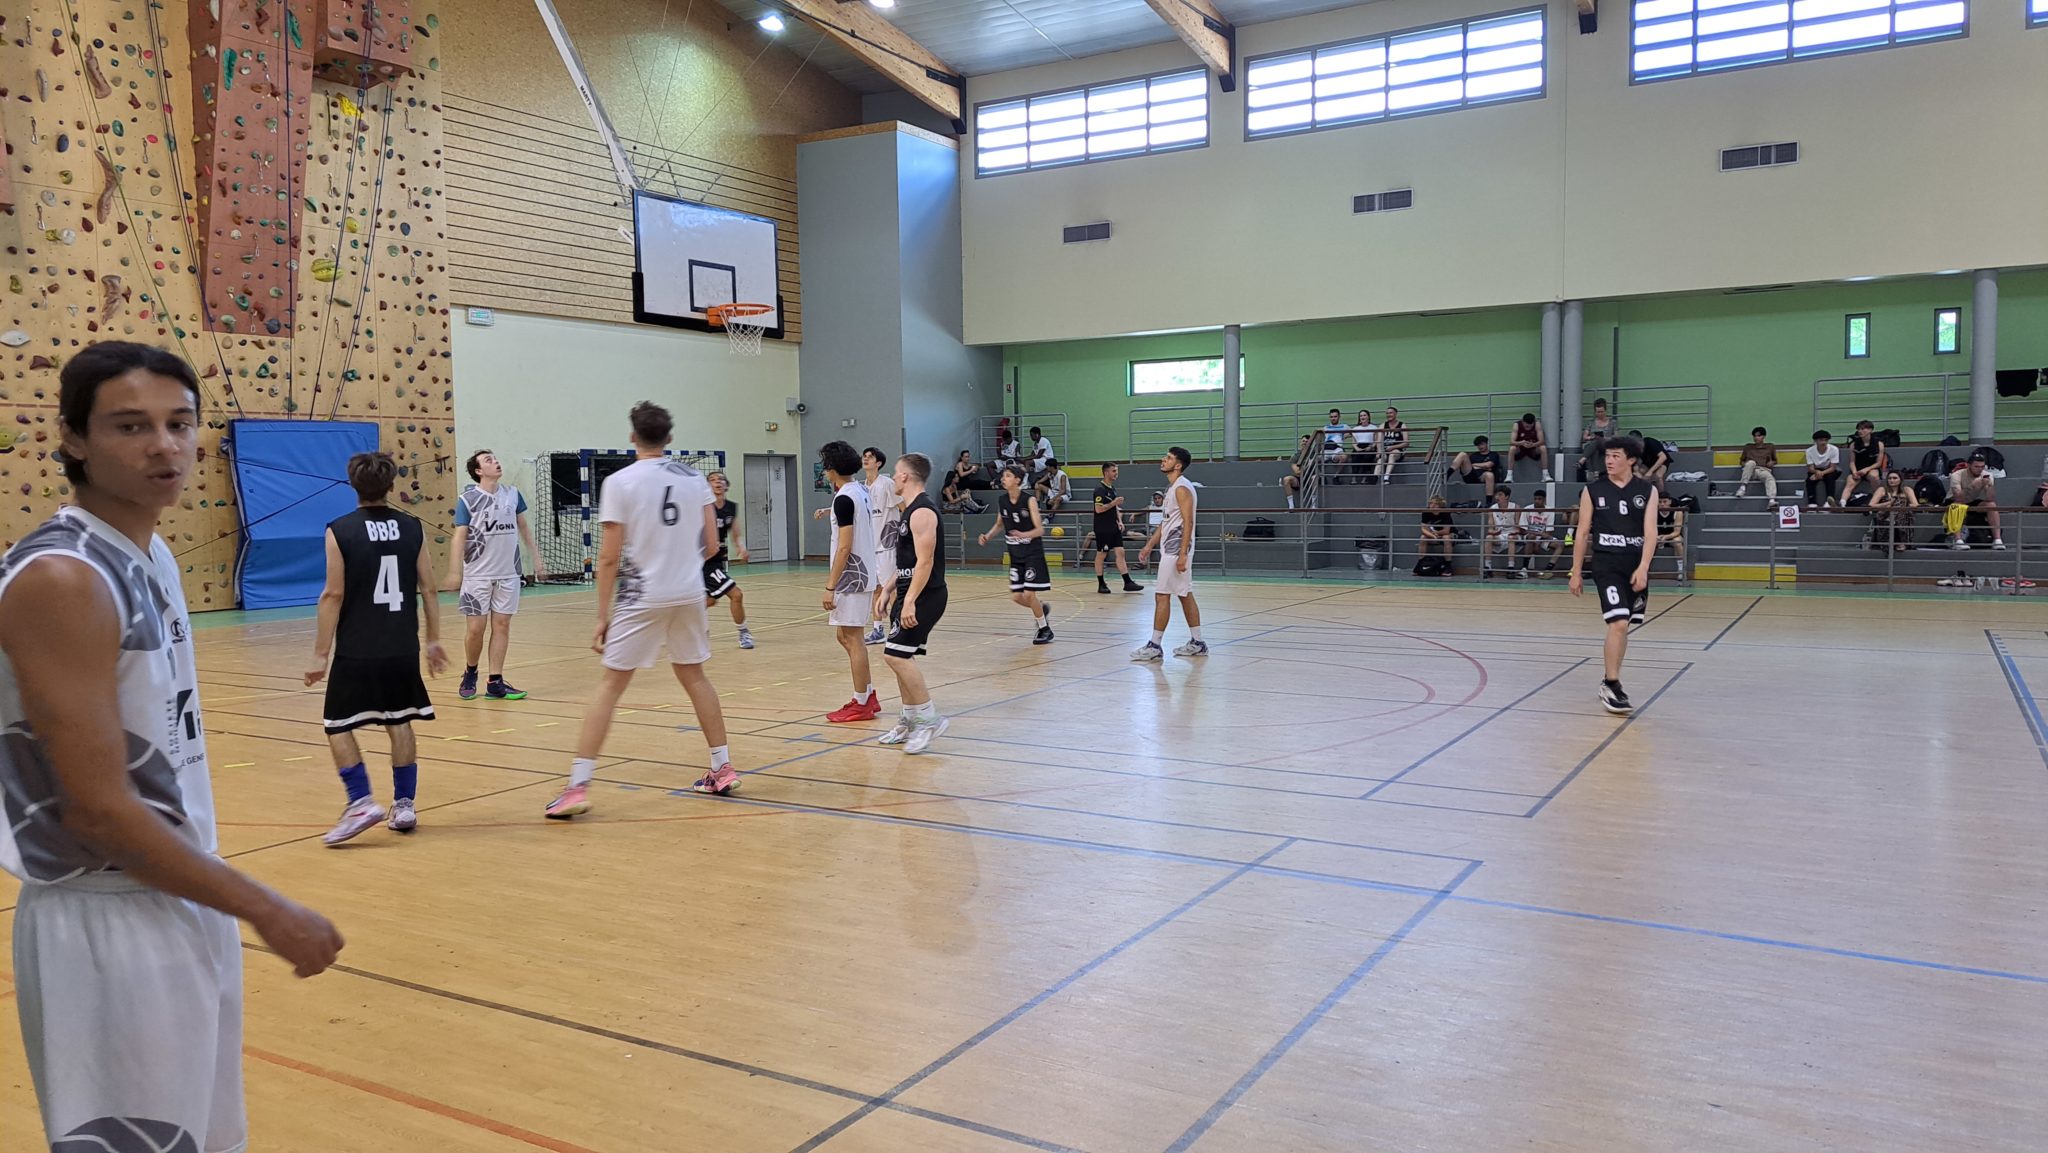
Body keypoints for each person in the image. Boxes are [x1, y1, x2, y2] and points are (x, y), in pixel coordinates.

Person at [0, 341, 342, 1151]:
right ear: (73, 437)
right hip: (105, 921)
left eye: (180, 423)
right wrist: (267, 908)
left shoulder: (149, 553)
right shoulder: (63, 578)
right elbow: (97, 811)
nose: (164, 445)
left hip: (179, 896)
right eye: (130, 425)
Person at [547, 402, 737, 818]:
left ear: (633, 437)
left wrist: (602, 616)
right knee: (695, 676)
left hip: (642, 594)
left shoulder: (620, 482)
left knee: (610, 687)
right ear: (670, 438)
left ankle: (577, 787)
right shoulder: (694, 478)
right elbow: (712, 545)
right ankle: (722, 768)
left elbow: (608, 558)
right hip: (689, 592)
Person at [307, 451, 449, 844]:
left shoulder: (339, 530)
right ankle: (403, 805)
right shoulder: (412, 527)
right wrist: (433, 640)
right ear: (391, 485)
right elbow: (429, 589)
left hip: (358, 648)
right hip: (401, 645)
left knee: (337, 725)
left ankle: (360, 802)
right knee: (398, 720)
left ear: (352, 484)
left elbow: (333, 594)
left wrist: (320, 654)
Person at [1569, 436, 1659, 716]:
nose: (1609, 461)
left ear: (1631, 460)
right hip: (1606, 564)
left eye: (1615, 456)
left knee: (1624, 625)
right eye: (1607, 456)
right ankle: (1611, 684)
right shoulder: (1593, 490)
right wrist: (1576, 571)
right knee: (1618, 621)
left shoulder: (1647, 490)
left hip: (1634, 564)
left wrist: (1644, 567)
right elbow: (1582, 533)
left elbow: (1651, 533)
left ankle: (1611, 678)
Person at [443, 449, 542, 701]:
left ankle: (495, 682)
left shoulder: (512, 494)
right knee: (476, 629)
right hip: (477, 575)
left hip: (508, 573)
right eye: (489, 460)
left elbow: (523, 527)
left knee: (502, 625)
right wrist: (454, 571)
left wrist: (536, 557)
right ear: (478, 471)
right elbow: (459, 537)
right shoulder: (468, 499)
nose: (496, 462)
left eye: (496, 458)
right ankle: (470, 671)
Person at [880, 453, 949, 754]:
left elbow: (925, 562)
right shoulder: (909, 511)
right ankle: (908, 720)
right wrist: (888, 588)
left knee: (895, 656)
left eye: (895, 472)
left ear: (906, 476)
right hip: (909, 592)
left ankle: (929, 719)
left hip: (926, 595)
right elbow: (908, 562)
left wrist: (909, 601)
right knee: (901, 655)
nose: (893, 477)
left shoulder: (922, 512)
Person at [819, 441, 883, 719]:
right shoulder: (860, 491)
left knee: (853, 639)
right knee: (844, 635)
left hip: (852, 577)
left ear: (831, 468)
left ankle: (862, 702)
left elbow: (845, 546)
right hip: (863, 572)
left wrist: (830, 586)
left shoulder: (844, 498)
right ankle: (867, 693)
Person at [1133, 447, 1206, 660]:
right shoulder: (1172, 488)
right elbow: (1166, 523)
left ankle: (1155, 646)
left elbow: (1188, 522)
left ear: (1178, 465)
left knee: (1162, 595)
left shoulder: (1182, 488)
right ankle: (1198, 642)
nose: (1163, 460)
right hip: (1171, 549)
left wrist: (1182, 554)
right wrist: (1149, 545)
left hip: (1176, 551)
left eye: (1169, 458)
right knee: (1184, 594)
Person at [979, 465, 1054, 644]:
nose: (1003, 479)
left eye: (1007, 476)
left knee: (1028, 594)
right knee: (1016, 597)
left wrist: (1023, 534)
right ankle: (1040, 609)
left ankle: (1045, 629)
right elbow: (999, 524)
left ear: (1017, 480)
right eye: (1003, 476)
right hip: (1016, 555)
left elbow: (1040, 530)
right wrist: (987, 536)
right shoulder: (1002, 500)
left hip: (1032, 553)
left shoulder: (1029, 500)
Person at [704, 470, 754, 650]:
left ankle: (684, 625)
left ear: (726, 485)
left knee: (709, 601)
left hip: (716, 561)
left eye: (721, 479)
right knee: (736, 594)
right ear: (707, 486)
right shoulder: (703, 507)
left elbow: (736, 533)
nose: (717, 482)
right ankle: (743, 632)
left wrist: (741, 547)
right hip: (703, 561)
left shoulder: (730, 507)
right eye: (712, 480)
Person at [861, 447, 899, 646]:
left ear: (879, 463)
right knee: (875, 589)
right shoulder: (862, 487)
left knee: (891, 590)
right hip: (869, 548)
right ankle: (877, 630)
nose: (866, 459)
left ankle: (899, 628)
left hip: (886, 547)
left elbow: (904, 508)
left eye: (870, 457)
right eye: (864, 456)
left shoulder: (887, 484)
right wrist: (826, 511)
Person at [1091, 461, 1144, 594]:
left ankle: (1127, 582)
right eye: (1113, 471)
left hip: (1113, 526)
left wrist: (1119, 521)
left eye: (1117, 471)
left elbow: (1115, 508)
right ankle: (1101, 583)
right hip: (1103, 528)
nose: (1116, 473)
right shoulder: (1100, 490)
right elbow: (1098, 509)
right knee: (1101, 554)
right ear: (1106, 472)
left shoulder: (1112, 489)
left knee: (1120, 552)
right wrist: (1114, 502)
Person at [1945, 451, 2005, 550]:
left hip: (1972, 501)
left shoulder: (1987, 475)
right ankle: (1958, 540)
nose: (1980, 469)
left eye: (1982, 467)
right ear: (1969, 466)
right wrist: (1972, 486)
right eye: (1976, 467)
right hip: (1954, 500)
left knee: (1991, 505)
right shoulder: (1957, 475)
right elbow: (1958, 497)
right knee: (1956, 506)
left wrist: (1989, 486)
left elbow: (1991, 498)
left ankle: (1997, 540)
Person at [1519, 490, 1566, 575]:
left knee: (1560, 544)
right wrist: (1538, 535)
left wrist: (1538, 541)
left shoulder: (1550, 510)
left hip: (1543, 537)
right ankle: (1524, 569)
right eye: (1535, 499)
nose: (1537, 501)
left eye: (1539, 499)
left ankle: (1548, 569)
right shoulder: (1527, 509)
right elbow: (1523, 530)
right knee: (1531, 537)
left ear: (1544, 500)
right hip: (1530, 536)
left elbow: (1549, 532)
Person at [1870, 469, 1918, 551]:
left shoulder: (1907, 490)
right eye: (1889, 478)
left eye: (1895, 478)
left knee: (1900, 515)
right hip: (1885, 515)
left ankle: (1901, 542)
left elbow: (1915, 504)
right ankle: (1892, 543)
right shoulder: (1882, 490)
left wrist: (1902, 506)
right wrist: (1888, 503)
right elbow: (1871, 505)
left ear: (1900, 479)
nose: (1892, 480)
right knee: (1892, 517)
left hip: (1902, 515)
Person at [1482, 487, 1525, 579]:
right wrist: (1494, 532)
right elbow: (1490, 529)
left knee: (1511, 538)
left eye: (1500, 495)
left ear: (1507, 496)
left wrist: (1515, 531)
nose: (1497, 497)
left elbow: (1518, 528)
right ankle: (1488, 567)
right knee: (1488, 538)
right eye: (1496, 495)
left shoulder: (1515, 507)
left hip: (1513, 534)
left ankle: (1510, 568)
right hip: (1500, 535)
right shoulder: (1492, 509)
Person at [1844, 420, 1888, 504]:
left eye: (1863, 429)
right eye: (1858, 429)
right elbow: (1852, 462)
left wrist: (1866, 469)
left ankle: (1878, 500)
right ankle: (1842, 503)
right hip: (1858, 469)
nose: (1860, 431)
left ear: (1870, 430)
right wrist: (1854, 472)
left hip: (1871, 468)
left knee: (1874, 476)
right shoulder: (1853, 444)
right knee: (1850, 481)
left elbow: (1878, 463)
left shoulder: (1879, 444)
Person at [1735, 426, 1779, 504]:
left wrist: (1772, 462)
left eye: (1758, 436)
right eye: (1754, 436)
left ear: (1764, 437)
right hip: (1751, 470)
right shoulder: (1748, 447)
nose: (1756, 438)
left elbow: (1775, 460)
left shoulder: (1770, 447)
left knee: (1770, 478)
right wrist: (1746, 465)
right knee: (1751, 463)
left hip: (1763, 470)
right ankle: (1743, 487)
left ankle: (1772, 500)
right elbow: (1741, 461)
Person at [1579, 397, 1616, 481]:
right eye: (1598, 412)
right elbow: (1585, 437)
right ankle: (1596, 473)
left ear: (1605, 411)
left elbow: (1616, 437)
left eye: (1602, 412)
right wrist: (1591, 437)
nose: (1600, 414)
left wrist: (1605, 438)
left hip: (1607, 444)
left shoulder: (1612, 423)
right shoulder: (1591, 423)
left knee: (1596, 441)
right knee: (1595, 444)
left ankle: (1584, 460)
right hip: (1594, 444)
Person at [1418, 495, 1455, 572]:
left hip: (1448, 533)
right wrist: (1433, 536)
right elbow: (1423, 529)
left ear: (1440, 505)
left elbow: (1446, 530)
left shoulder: (1445, 512)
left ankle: (1448, 565)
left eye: (1435, 504)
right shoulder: (1426, 512)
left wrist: (1436, 533)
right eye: (1431, 503)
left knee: (1446, 538)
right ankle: (1420, 563)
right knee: (1423, 538)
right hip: (1434, 534)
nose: (1432, 506)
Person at [1805, 430, 1841, 509]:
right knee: (1810, 480)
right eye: (1821, 440)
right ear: (1815, 441)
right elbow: (1810, 468)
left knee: (1830, 477)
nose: (1823, 442)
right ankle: (1812, 502)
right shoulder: (1809, 451)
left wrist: (1821, 473)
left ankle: (1829, 501)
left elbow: (1833, 467)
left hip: (1828, 470)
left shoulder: (1834, 449)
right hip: (1816, 470)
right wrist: (1816, 472)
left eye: (1826, 440)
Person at [1510, 412, 1550, 482]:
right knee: (1512, 448)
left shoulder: (1537, 424)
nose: (1528, 428)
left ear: (1533, 423)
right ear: (1523, 422)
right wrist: (1521, 443)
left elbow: (1542, 441)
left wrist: (1533, 444)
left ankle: (1545, 474)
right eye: (1526, 426)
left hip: (1533, 449)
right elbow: (1512, 442)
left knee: (1543, 448)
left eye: (1530, 426)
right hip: (1521, 448)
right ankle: (1509, 475)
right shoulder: (1516, 425)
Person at [1656, 492, 1687, 579]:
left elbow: (1677, 532)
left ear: (1669, 501)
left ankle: (1681, 570)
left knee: (1677, 541)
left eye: (1665, 501)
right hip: (1657, 536)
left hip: (1671, 536)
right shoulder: (1653, 512)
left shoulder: (1677, 512)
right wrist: (1656, 537)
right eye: (1660, 502)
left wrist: (1665, 537)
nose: (1662, 504)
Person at [1280, 434, 1316, 509]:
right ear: (1300, 442)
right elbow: (1297, 472)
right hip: (1299, 479)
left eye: (1307, 441)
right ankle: (1291, 506)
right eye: (1303, 441)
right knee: (1286, 479)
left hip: (1310, 477)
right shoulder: (1296, 456)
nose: (1304, 443)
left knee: (1314, 478)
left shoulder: (1314, 453)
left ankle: (1314, 505)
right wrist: (1307, 465)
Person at [1376, 407, 1408, 484]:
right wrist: (1379, 451)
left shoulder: (1402, 425)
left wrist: (1393, 447)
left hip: (1397, 450)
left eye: (1391, 413)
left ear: (1396, 414)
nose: (1388, 415)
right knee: (1381, 459)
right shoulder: (1383, 425)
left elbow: (1406, 443)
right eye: (1387, 413)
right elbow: (1379, 441)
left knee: (1392, 454)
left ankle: (1386, 477)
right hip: (1385, 450)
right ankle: (1374, 478)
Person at [1346, 408, 1378, 480]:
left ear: (1368, 417)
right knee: (1355, 457)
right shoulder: (1355, 428)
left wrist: (1371, 447)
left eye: (1364, 415)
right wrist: (1357, 448)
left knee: (1367, 457)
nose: (1363, 417)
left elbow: (1376, 441)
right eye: (1361, 416)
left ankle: (1365, 477)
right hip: (1359, 446)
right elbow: (1354, 442)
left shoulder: (1374, 427)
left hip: (1369, 446)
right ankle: (1354, 478)